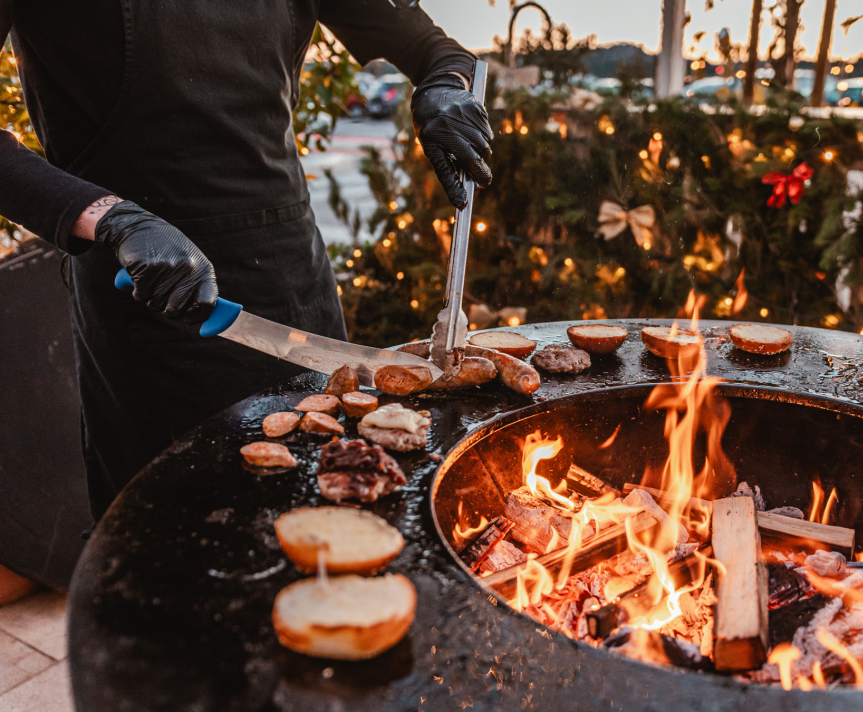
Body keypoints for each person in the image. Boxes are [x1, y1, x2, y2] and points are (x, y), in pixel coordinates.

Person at [0, 0, 494, 521]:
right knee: (176, 527)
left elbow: (435, 50)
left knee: (338, 500)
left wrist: (445, 87)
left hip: (294, 280)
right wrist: (111, 218)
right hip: (149, 293)